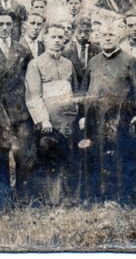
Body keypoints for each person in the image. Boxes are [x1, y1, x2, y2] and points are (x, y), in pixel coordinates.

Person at [80, 21, 136, 204]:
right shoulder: (93, 62)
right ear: (99, 38)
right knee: (94, 154)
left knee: (118, 156)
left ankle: (117, 197)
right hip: (94, 117)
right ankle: (95, 196)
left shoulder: (130, 61)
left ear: (119, 37)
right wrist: (82, 115)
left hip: (120, 117)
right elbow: (84, 89)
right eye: (104, 35)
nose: (108, 38)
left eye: (111, 35)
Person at [0, 9, 35, 201]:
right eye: (0, 24)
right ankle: (1, 199)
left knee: (24, 154)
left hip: (20, 111)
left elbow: (30, 81)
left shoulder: (23, 51)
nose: (4, 28)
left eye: (8, 24)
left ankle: (23, 197)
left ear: (13, 27)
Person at [25, 23, 80, 205]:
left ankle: (70, 198)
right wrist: (43, 120)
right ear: (44, 39)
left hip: (68, 120)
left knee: (70, 157)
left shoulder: (68, 64)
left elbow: (75, 92)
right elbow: (33, 96)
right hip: (49, 122)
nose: (57, 41)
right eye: (53, 37)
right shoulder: (36, 64)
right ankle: (51, 199)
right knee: (50, 158)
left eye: (60, 37)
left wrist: (76, 116)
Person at [62, 16, 101, 89]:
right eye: (79, 31)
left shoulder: (98, 51)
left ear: (90, 31)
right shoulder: (66, 53)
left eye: (86, 32)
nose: (83, 35)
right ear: (74, 31)